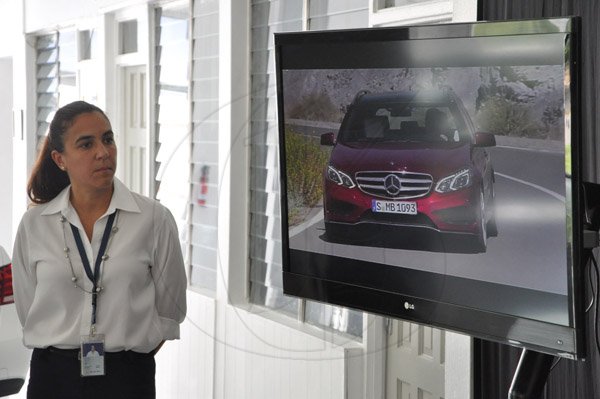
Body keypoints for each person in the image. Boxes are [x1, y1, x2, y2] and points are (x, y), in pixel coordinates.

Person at [12, 100, 187, 399]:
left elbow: (170, 311)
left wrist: (126, 356)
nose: (103, 152)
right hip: (53, 378)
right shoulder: (35, 225)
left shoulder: (155, 219)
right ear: (60, 158)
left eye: (108, 139)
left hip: (128, 378)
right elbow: (28, 309)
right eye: (85, 144)